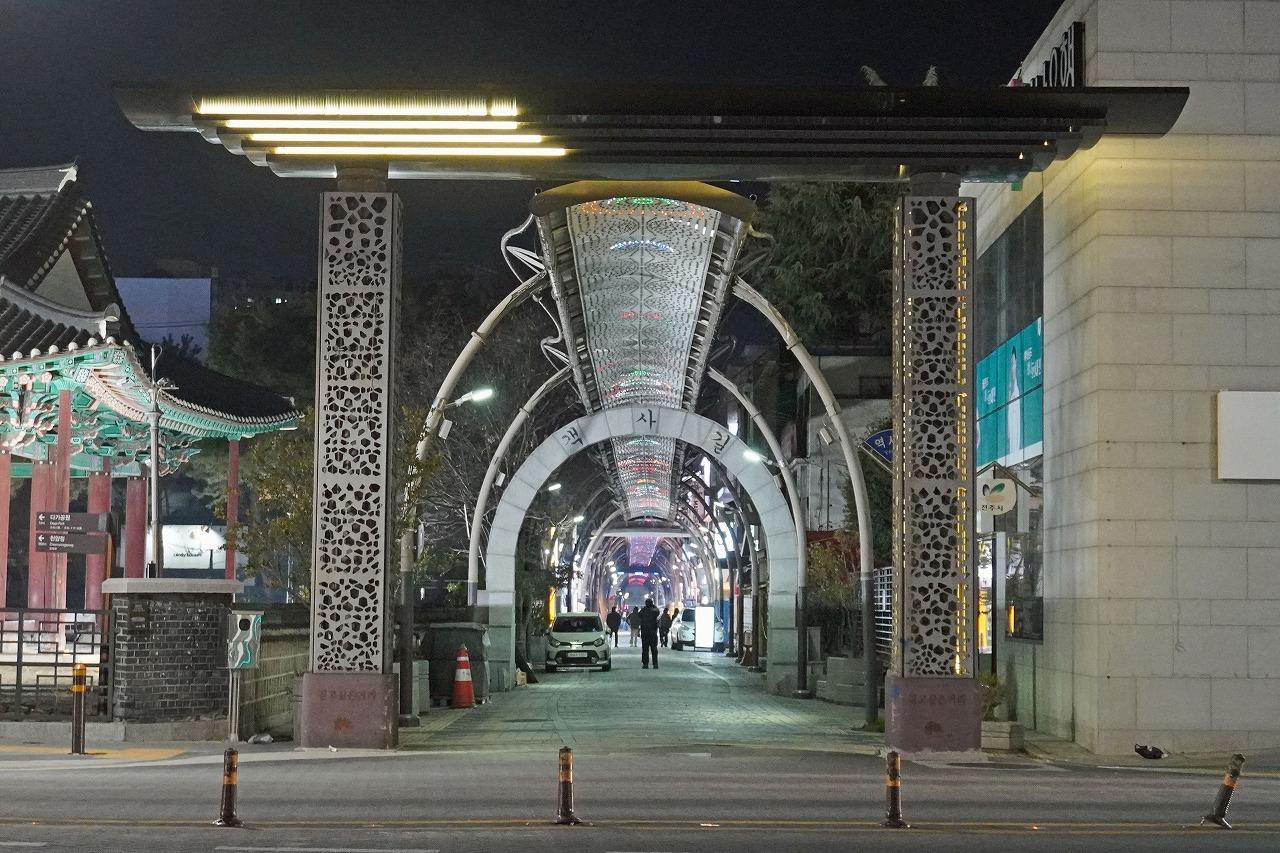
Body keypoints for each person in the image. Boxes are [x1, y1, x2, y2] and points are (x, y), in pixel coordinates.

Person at [637, 598, 661, 669]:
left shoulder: (643, 610)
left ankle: (645, 664)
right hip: (653, 633)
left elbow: (639, 616)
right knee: (654, 649)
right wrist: (653, 606)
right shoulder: (654, 610)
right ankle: (655, 664)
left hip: (645, 633)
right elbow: (658, 612)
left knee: (645, 649)